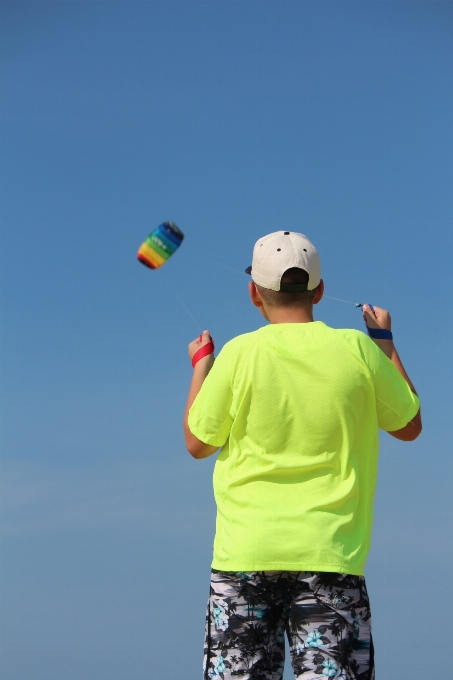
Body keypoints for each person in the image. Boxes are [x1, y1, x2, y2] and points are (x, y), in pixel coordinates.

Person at [183, 231, 421, 680]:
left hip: (244, 560)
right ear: (320, 290)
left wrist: (201, 365)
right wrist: (384, 342)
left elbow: (198, 442)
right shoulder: (358, 350)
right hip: (330, 558)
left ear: (254, 292)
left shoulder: (237, 354)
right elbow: (409, 425)